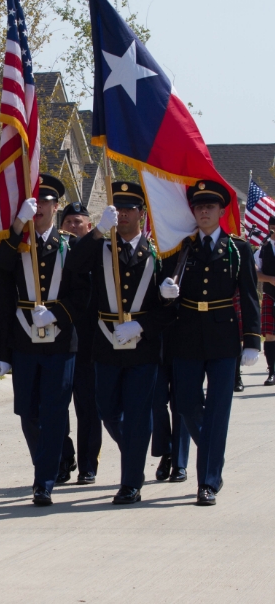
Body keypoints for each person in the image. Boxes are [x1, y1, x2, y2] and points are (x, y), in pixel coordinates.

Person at [69, 181, 171, 504]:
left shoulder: (158, 253)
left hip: (142, 346)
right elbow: (72, 265)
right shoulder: (101, 246)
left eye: (130, 209)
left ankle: (131, 483)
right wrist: (98, 231)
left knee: (139, 414)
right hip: (106, 342)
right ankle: (136, 448)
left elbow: (169, 309)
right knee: (107, 408)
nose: (123, 214)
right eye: (119, 208)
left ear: (142, 214)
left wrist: (142, 324)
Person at [160, 180, 261, 506]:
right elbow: (165, 290)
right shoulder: (182, 248)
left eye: (210, 207)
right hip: (187, 334)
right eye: (199, 207)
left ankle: (208, 483)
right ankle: (212, 449)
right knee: (187, 404)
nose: (203, 212)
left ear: (221, 211)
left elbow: (248, 296)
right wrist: (166, 295)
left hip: (223, 337)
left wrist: (252, 341)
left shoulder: (238, 249)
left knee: (218, 410)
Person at [0, 174, 90, 506]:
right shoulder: (17, 242)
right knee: (27, 412)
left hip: (61, 340)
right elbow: (1, 272)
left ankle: (44, 480)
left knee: (53, 410)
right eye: (35, 204)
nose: (40, 209)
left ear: (56, 207)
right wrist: (18, 225)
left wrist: (58, 314)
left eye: (46, 203)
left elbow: (84, 293)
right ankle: (49, 462)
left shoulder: (70, 244)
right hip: (24, 339)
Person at [56, 202, 102, 485]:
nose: (73, 226)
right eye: (69, 221)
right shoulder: (56, 251)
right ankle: (64, 459)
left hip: (88, 342)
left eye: (79, 221)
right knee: (57, 406)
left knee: (88, 408)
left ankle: (88, 465)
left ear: (89, 225)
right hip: (58, 339)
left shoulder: (100, 250)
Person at [152, 330, 191, 483]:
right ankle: (166, 451)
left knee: (181, 405)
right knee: (156, 402)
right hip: (157, 341)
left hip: (184, 341)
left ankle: (179, 462)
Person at [254, 216, 275, 385]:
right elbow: (255, 273)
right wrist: (270, 279)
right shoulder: (263, 248)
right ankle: (272, 372)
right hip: (270, 295)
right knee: (269, 335)